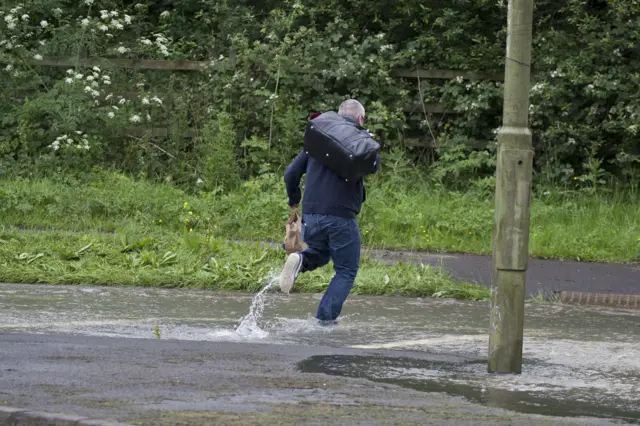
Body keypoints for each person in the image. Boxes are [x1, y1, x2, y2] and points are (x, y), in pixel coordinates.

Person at [279, 99, 380, 325]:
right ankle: (325, 320)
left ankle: (300, 259)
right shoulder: (359, 143)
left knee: (321, 253)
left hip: (312, 215)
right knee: (346, 270)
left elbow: (290, 173)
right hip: (341, 217)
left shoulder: (317, 140)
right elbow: (373, 166)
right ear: (360, 119)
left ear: (338, 114)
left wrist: (294, 199)